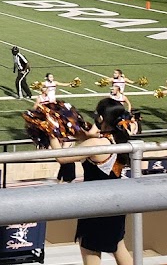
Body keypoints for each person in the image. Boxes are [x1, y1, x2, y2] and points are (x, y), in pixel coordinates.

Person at [50, 98, 133, 265]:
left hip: (96, 204)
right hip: (117, 202)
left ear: (101, 119)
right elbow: (87, 137)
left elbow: (61, 158)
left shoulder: (96, 143)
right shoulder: (120, 139)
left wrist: (51, 132)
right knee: (118, 245)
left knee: (90, 249)